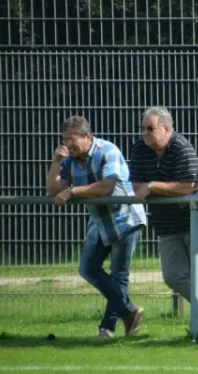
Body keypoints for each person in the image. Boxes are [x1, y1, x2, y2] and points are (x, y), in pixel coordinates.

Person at [129, 106, 198, 342]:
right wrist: (162, 190)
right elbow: (137, 187)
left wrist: (154, 186)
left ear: (167, 129)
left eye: (150, 128)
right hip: (166, 224)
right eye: (142, 128)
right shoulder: (139, 149)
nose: (144, 133)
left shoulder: (182, 147)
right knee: (173, 275)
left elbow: (186, 187)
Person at [46, 115, 147, 339]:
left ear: (87, 136)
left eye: (71, 140)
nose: (67, 145)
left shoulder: (107, 150)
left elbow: (107, 187)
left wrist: (73, 191)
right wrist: (55, 163)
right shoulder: (69, 160)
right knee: (87, 269)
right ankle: (130, 312)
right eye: (64, 140)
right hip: (100, 222)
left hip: (125, 218)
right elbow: (52, 191)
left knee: (119, 275)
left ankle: (107, 328)